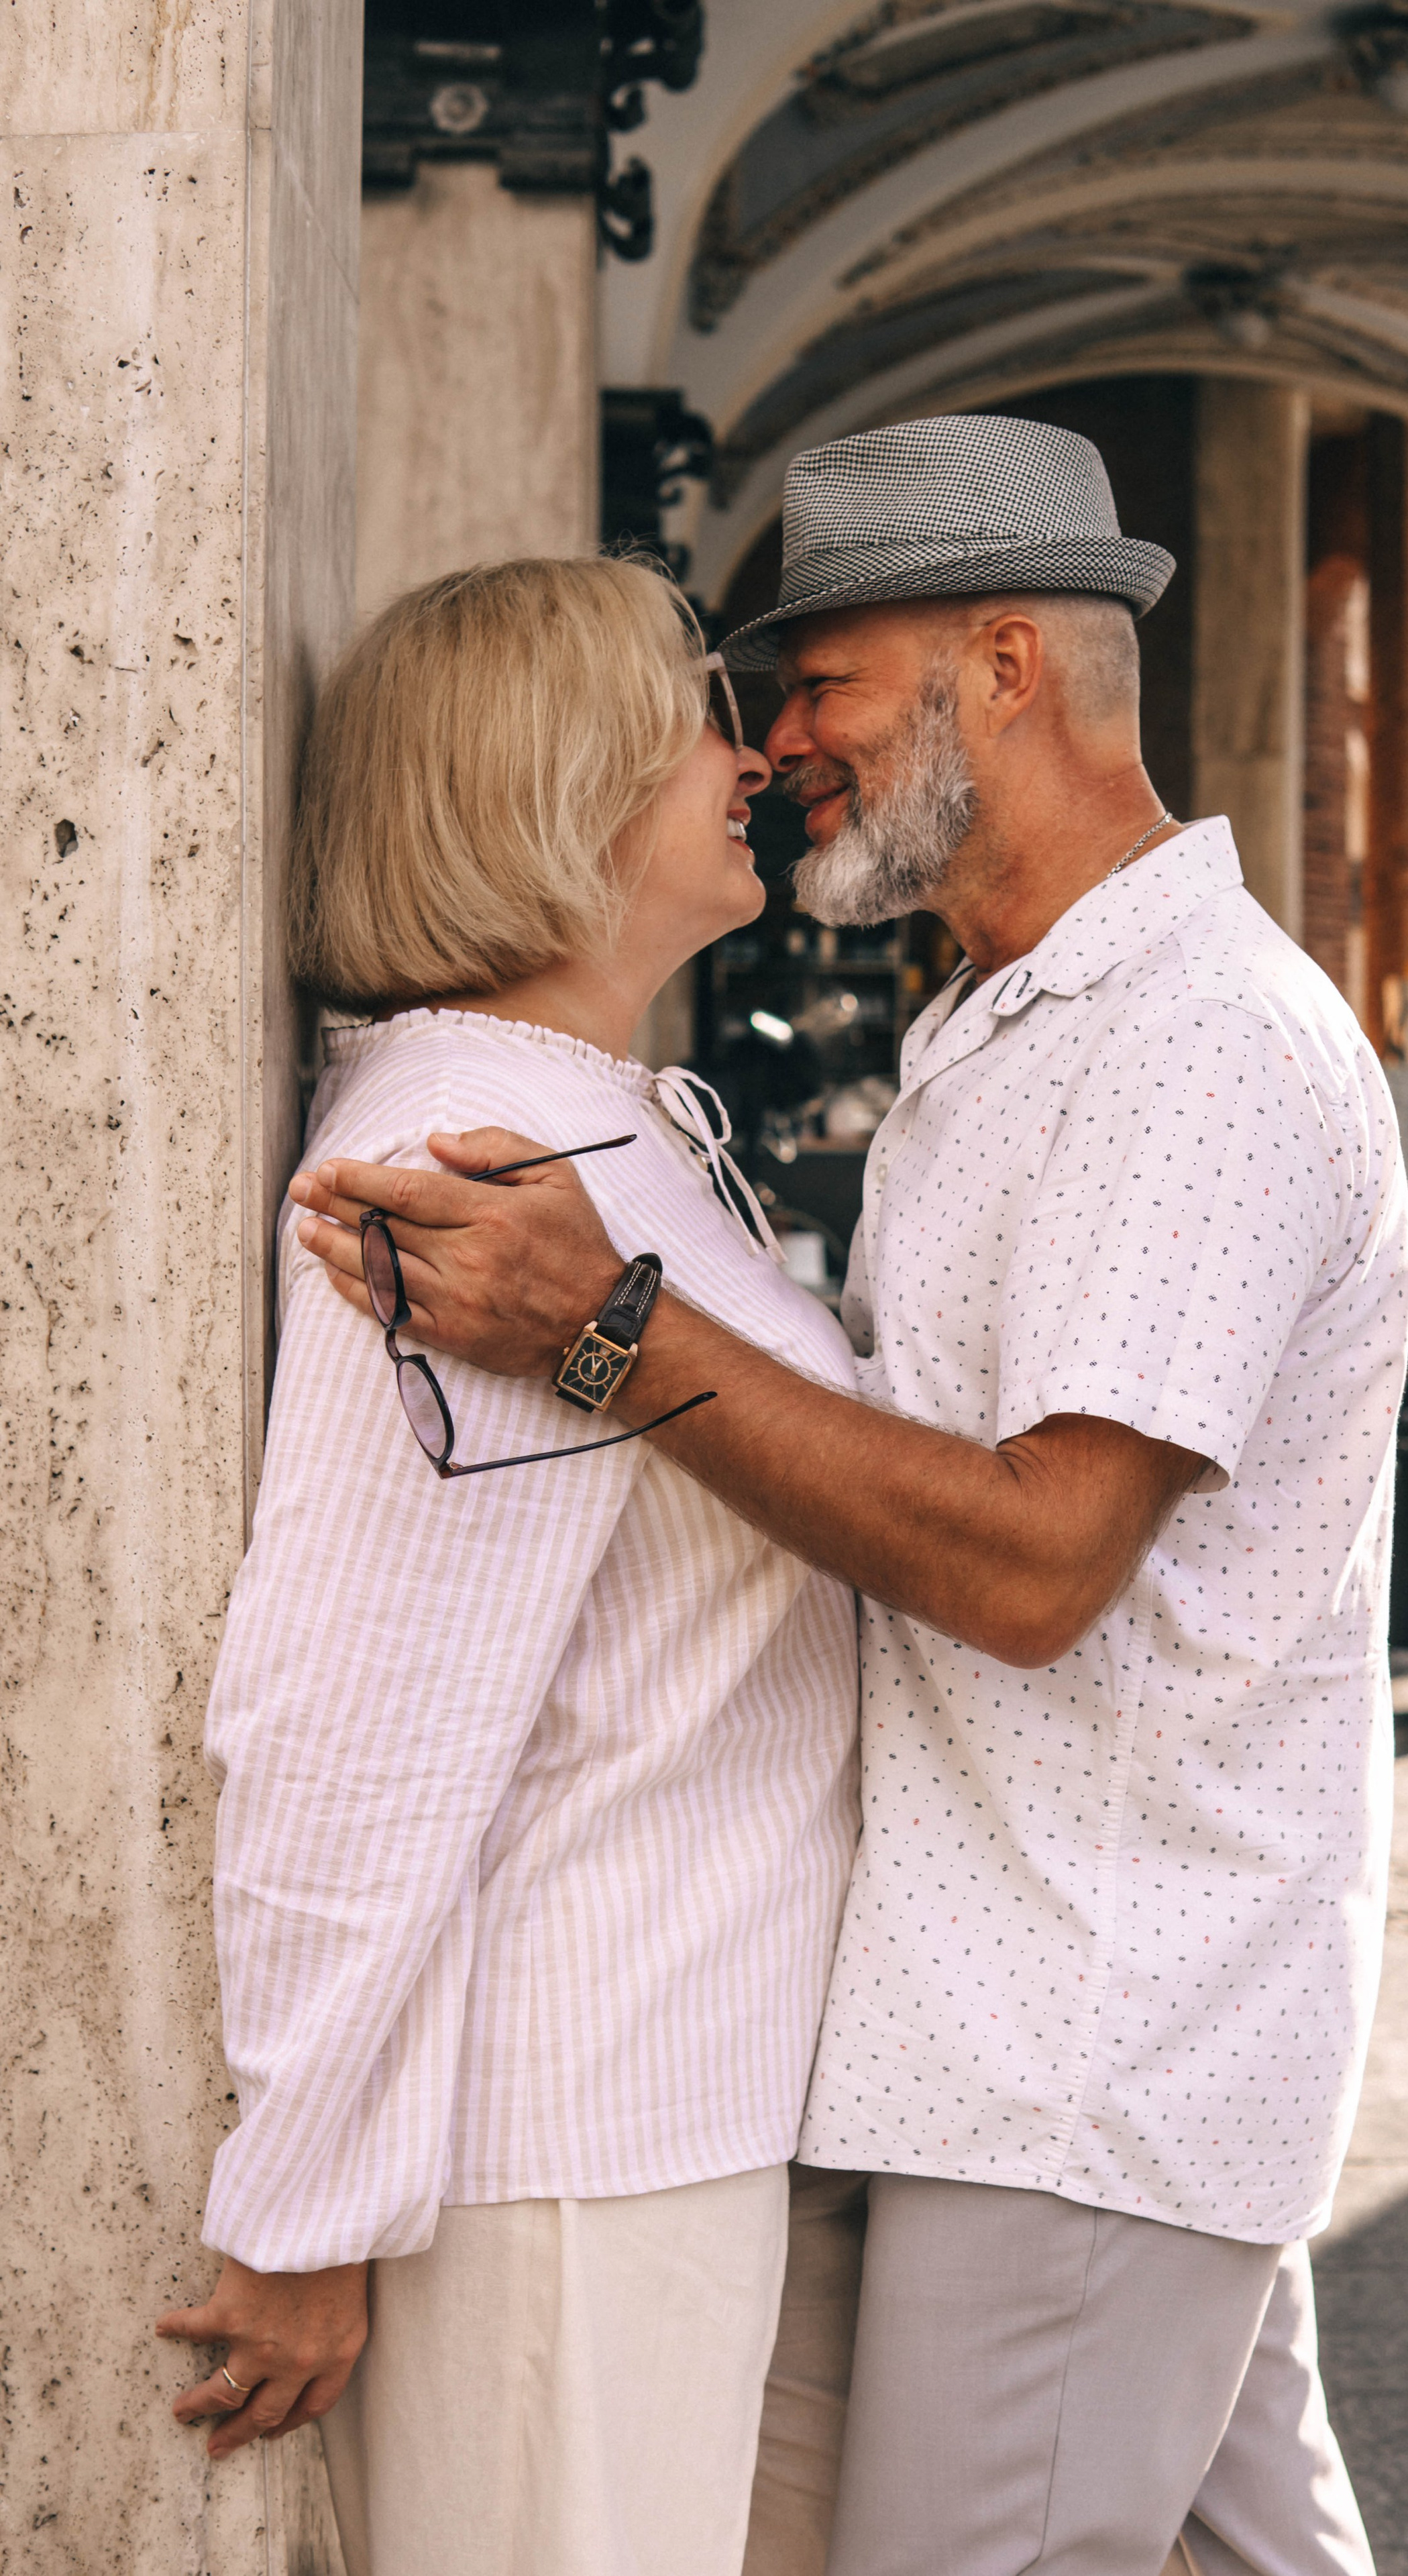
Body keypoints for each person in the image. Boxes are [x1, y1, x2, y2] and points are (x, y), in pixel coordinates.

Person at [290, 415, 1408, 2576]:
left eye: (826, 683)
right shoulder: (1011, 1023)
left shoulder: (1194, 1042)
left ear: (1005, 667)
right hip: (991, 2025)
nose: (779, 739)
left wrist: (610, 1326)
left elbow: (1032, 1564)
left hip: (1086, 2040)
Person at [154, 555, 864, 2576]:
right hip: (563, 2146)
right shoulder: (468, 1153)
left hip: (675, 2104)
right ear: (553, 773)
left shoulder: (587, 1115)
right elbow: (353, 1716)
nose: (753, 754)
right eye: (696, 713)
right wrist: (302, 2209)